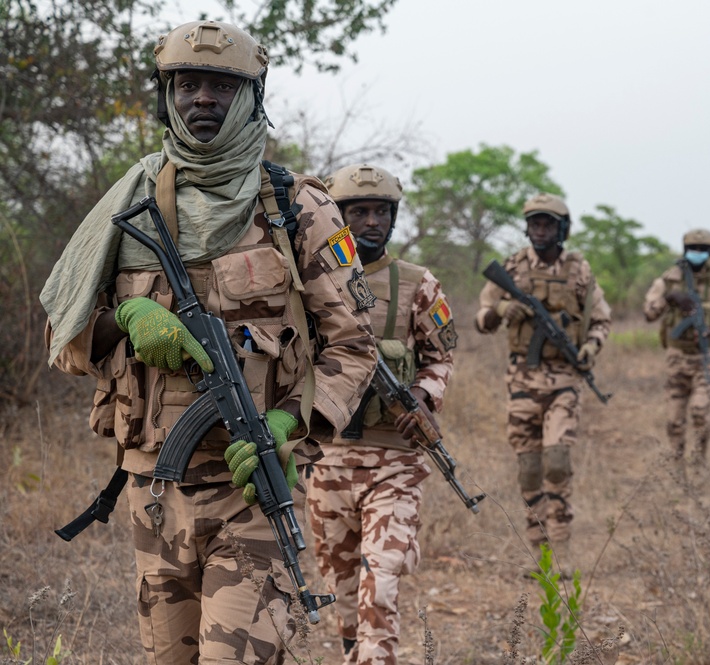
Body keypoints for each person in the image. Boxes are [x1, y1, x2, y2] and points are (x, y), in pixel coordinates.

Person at [40, 20, 377, 664]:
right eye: (187, 84)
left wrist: (291, 419)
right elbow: (67, 336)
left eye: (221, 86)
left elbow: (353, 346)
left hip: (252, 486)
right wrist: (128, 315)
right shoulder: (130, 203)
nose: (202, 99)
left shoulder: (298, 208)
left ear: (252, 95)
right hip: (152, 492)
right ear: (166, 95)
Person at [308, 164, 457, 665]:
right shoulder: (312, 280)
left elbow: (441, 359)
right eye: (358, 212)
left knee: (382, 575)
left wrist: (423, 394)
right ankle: (355, 651)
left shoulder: (418, 284)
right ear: (340, 218)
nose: (371, 222)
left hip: (395, 460)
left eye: (381, 212)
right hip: (327, 458)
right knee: (343, 585)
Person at [474, 193, 611, 566]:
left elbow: (600, 320)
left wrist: (590, 348)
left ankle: (562, 547)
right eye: (535, 223)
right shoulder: (513, 268)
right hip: (522, 379)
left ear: (562, 229)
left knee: (556, 459)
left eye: (548, 223)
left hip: (565, 379)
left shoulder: (579, 271)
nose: (540, 230)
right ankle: (539, 550)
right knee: (530, 467)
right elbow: (482, 316)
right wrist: (504, 308)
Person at [642, 229, 710, 465]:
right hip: (677, 356)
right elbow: (649, 313)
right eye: (693, 249)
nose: (697, 254)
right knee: (674, 419)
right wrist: (670, 298)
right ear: (685, 250)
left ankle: (699, 461)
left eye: (703, 250)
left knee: (700, 410)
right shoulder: (669, 280)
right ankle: (677, 467)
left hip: (708, 356)